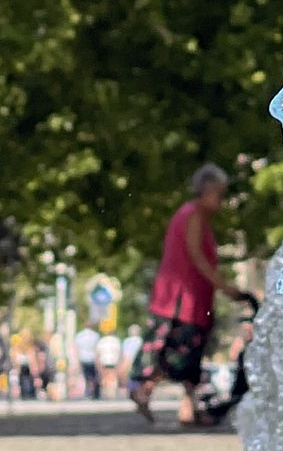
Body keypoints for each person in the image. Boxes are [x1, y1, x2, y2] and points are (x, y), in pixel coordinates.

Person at [130, 164, 247, 425]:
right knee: (179, 351)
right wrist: (225, 287)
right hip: (181, 300)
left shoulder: (194, 216)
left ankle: (188, 407)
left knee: (191, 353)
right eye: (219, 194)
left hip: (186, 297)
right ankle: (146, 390)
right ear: (206, 191)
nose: (220, 201)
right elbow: (197, 258)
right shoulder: (192, 215)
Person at [74, 324, 102, 400]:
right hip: (92, 359)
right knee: (94, 376)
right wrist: (98, 361)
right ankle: (94, 393)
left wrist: (77, 361)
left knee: (86, 377)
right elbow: (97, 349)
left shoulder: (79, 335)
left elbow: (76, 349)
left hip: (83, 358)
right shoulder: (95, 335)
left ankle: (88, 392)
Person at [96, 327, 123, 398]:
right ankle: (112, 392)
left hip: (104, 361)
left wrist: (98, 363)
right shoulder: (116, 341)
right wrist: (120, 363)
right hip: (114, 361)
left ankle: (106, 392)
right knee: (113, 377)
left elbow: (98, 353)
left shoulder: (102, 341)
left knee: (105, 377)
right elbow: (120, 353)